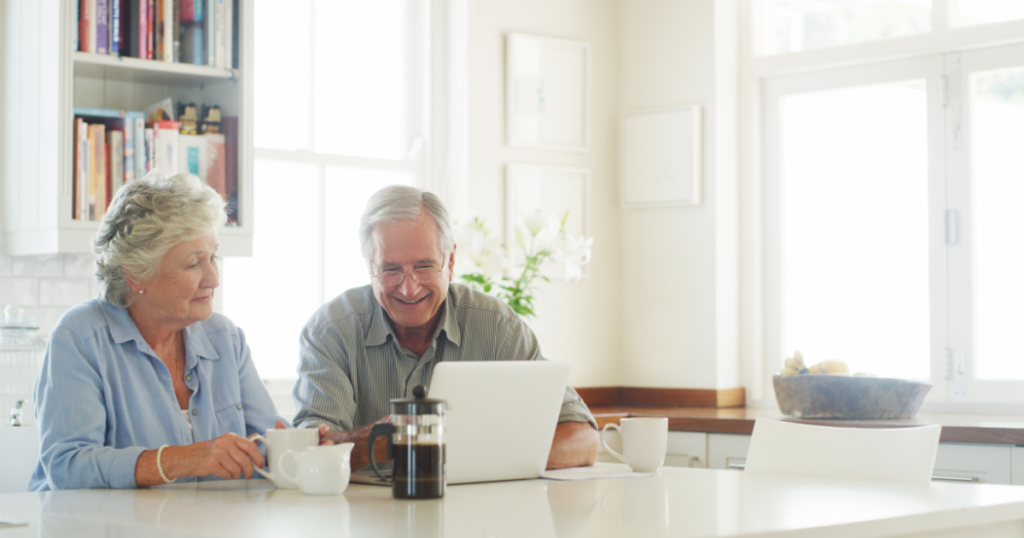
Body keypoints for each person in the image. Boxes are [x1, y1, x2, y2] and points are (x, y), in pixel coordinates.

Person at [293, 185, 599, 473]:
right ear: (370, 267)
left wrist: (471, 459)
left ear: (450, 262)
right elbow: (308, 448)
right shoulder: (330, 331)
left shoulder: (497, 326)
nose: (409, 289)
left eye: (424, 266)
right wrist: (373, 443)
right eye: (390, 269)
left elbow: (582, 438)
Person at [30, 173, 288, 491]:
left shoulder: (225, 337)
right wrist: (182, 460)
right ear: (137, 276)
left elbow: (266, 443)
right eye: (194, 265)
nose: (213, 279)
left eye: (213, 257)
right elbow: (67, 467)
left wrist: (306, 447)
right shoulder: (81, 338)